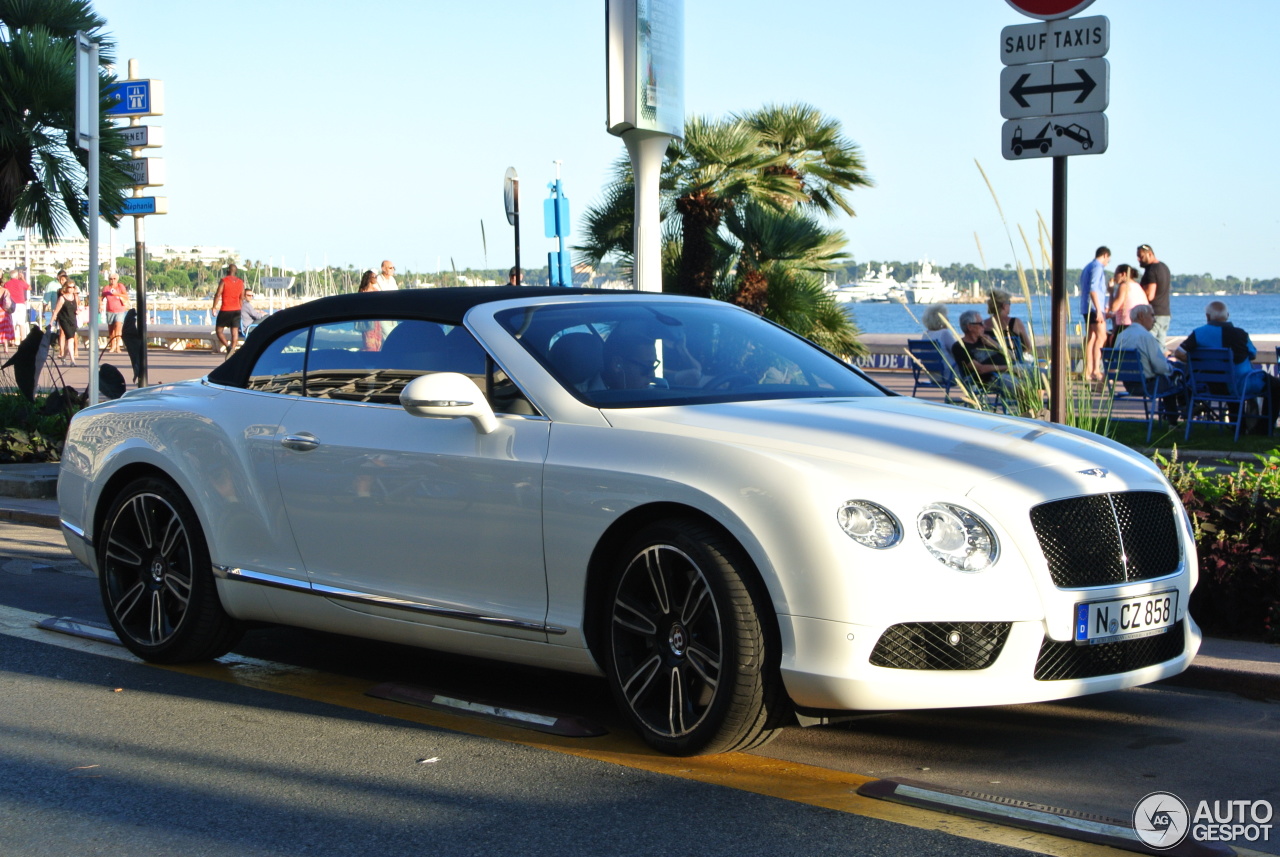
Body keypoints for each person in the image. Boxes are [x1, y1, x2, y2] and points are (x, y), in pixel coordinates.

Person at [1178, 300, 1280, 434]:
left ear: (1207, 316)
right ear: (1227, 316)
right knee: (1275, 385)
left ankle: (1239, 427)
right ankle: (1263, 428)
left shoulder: (1198, 333)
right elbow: (1253, 355)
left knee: (1229, 378)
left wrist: (1194, 362)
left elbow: (1179, 353)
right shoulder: (1240, 334)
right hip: (1239, 386)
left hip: (1210, 386)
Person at [1113, 304, 1185, 422]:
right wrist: (1171, 368)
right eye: (1152, 315)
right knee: (1176, 376)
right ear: (1141, 316)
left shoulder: (1121, 336)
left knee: (1169, 377)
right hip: (1147, 386)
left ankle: (1172, 416)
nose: (1155, 319)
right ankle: (1177, 418)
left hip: (1128, 385)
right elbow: (1160, 367)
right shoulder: (1146, 337)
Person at [952, 309, 1015, 393]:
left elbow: (1013, 356)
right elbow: (980, 369)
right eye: (981, 324)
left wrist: (994, 344)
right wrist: (1009, 368)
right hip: (992, 378)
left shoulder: (986, 339)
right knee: (1021, 387)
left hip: (1012, 371)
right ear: (970, 327)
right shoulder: (959, 347)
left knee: (1038, 375)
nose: (984, 327)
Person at [1079, 246, 1110, 381]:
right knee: (1101, 337)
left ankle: (1088, 370)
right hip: (1094, 307)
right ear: (1104, 255)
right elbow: (1093, 289)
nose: (1108, 262)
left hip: (1087, 306)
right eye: (1108, 259)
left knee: (1091, 338)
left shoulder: (1088, 266)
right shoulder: (1097, 267)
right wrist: (1099, 309)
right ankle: (1096, 369)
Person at [602, 326, 661, 390]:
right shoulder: (591, 397)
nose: (652, 374)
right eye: (646, 367)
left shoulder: (653, 395)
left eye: (653, 366)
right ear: (617, 364)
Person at [1137, 243, 1172, 346]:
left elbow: (1150, 295)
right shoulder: (1164, 267)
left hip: (1154, 314)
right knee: (1160, 345)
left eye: (1141, 256)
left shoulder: (1151, 270)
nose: (1139, 259)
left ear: (1150, 254)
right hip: (1165, 312)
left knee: (1148, 345)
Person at [982, 289, 1029, 361]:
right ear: (1004, 306)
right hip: (1013, 365)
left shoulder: (983, 324)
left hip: (991, 365)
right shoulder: (1015, 322)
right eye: (1009, 303)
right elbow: (1027, 347)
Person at [211, 263, 246, 355]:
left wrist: (214, 307)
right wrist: (240, 309)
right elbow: (241, 297)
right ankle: (233, 350)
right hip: (237, 310)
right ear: (236, 272)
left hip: (225, 309)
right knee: (234, 332)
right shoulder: (241, 282)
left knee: (219, 331)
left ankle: (228, 347)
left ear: (227, 271)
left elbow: (218, 294)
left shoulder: (224, 280)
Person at [920, 303, 959, 378]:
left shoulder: (926, 334)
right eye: (946, 317)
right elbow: (957, 351)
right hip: (948, 374)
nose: (948, 319)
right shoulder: (944, 333)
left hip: (933, 376)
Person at [1107, 264, 1148, 336]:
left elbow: (1113, 308)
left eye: (1116, 274)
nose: (1114, 277)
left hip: (1125, 325)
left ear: (1123, 274)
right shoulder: (1138, 286)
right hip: (1139, 325)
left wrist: (1111, 292)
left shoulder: (1124, 286)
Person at [51, 275, 80, 365]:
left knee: (69, 341)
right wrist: (51, 322)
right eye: (69, 287)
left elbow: (77, 307)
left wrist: (78, 311)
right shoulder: (62, 298)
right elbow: (56, 311)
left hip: (73, 320)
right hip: (64, 320)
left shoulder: (75, 297)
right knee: (70, 339)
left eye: (73, 287)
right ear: (65, 287)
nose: (71, 289)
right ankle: (72, 360)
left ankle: (63, 357)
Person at [100, 271, 129, 353]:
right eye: (111, 279)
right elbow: (101, 297)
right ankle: (112, 346)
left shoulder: (120, 286)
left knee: (118, 326)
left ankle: (117, 346)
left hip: (120, 310)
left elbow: (126, 296)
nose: (112, 280)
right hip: (110, 310)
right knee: (111, 329)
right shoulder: (106, 288)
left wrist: (117, 294)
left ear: (117, 279)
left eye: (114, 279)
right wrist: (101, 304)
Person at [354, 270, 382, 350]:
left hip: (376, 321)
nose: (376, 279)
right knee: (369, 344)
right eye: (375, 277)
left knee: (378, 344)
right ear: (369, 278)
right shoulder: (363, 291)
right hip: (367, 320)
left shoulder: (376, 290)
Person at [3, 269, 30, 342]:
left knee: (12, 323)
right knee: (22, 323)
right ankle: (23, 340)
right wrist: (23, 279)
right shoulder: (20, 283)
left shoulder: (7, 284)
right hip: (21, 304)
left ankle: (12, 340)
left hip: (11, 305)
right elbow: (29, 288)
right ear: (16, 275)